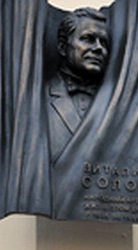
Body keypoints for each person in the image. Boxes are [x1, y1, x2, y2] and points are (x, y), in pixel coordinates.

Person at [47, 7, 110, 163]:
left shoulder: (114, 103)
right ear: (63, 47)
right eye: (88, 38)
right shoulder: (39, 99)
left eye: (103, 42)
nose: (98, 48)